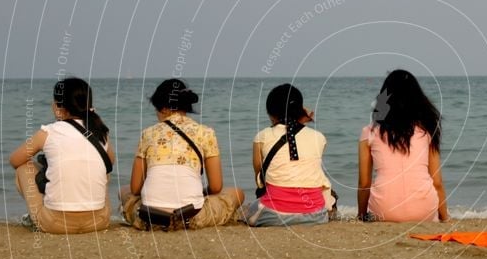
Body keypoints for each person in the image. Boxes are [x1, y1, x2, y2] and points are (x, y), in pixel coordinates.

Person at [120, 79, 245, 229]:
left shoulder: (147, 134)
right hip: (192, 217)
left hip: (150, 219)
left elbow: (135, 188)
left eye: (156, 109)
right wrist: (202, 192)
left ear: (164, 108)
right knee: (237, 193)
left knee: (124, 191)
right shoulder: (205, 132)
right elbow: (216, 186)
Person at [10, 77, 114, 234]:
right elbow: (110, 163)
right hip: (99, 222)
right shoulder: (101, 132)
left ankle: (38, 214)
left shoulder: (48, 132)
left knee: (24, 167)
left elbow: (15, 160)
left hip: (55, 224)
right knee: (102, 171)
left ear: (57, 107)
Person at [358, 70, 449, 222]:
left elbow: (364, 183)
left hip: (383, 211)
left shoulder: (369, 132)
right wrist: (444, 217)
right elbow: (437, 182)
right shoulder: (427, 130)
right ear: (417, 99)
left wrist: (361, 216)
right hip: (423, 210)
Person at [245, 83, 333, 226]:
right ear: (301, 110)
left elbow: (260, 180)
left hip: (273, 216)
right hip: (316, 215)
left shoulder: (262, 137)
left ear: (271, 114)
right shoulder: (319, 137)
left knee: (250, 209)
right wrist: (300, 121)